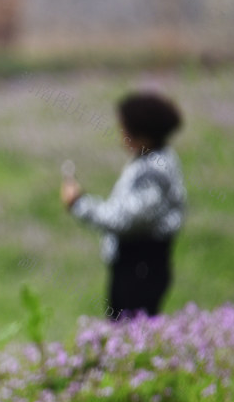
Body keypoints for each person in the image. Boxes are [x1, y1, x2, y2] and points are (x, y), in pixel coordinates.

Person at [60, 91, 186, 320]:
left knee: (130, 331)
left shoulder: (153, 172)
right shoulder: (153, 159)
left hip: (141, 265)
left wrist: (78, 204)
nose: (121, 134)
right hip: (137, 263)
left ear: (142, 133)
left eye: (124, 128)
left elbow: (125, 219)